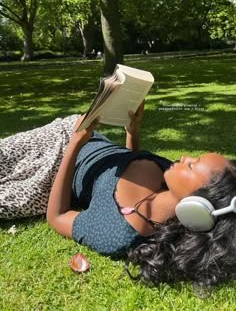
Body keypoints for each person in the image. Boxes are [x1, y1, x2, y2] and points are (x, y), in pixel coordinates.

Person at [1, 103, 236, 291]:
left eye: (192, 166)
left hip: (56, 163)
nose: (184, 157)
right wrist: (132, 132)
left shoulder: (118, 232)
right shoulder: (168, 175)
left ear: (196, 206)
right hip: (73, 134)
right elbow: (129, 168)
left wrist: (74, 144)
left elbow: (57, 216)